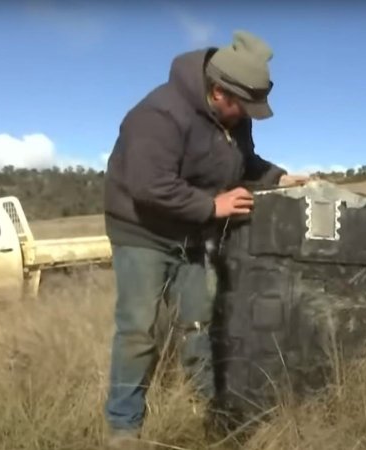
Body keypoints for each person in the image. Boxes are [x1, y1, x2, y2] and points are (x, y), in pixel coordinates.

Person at [101, 30, 308, 447]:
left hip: (192, 233)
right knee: (139, 330)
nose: (247, 114)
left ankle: (206, 407)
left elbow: (245, 162)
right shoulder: (158, 115)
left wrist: (280, 177)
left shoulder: (236, 118)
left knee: (198, 322)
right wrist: (214, 207)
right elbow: (149, 186)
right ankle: (123, 426)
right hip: (142, 232)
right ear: (218, 93)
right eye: (243, 106)